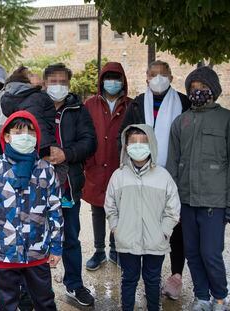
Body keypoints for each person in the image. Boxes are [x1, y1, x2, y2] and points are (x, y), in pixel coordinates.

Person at [166, 66, 230, 311]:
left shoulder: (229, 121)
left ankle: (219, 296)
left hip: (214, 203)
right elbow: (172, 165)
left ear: (214, 90)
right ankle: (201, 296)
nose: (197, 91)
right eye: (192, 88)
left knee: (211, 253)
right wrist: (171, 203)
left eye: (202, 87)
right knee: (192, 253)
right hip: (187, 203)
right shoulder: (181, 122)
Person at [0, 110, 63, 311]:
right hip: (4, 253)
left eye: (31, 133)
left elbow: (55, 210)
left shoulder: (46, 170)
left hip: (37, 252)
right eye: (19, 132)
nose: (25, 137)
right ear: (6, 136)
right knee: (7, 305)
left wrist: (56, 246)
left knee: (45, 302)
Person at [119, 60, 191, 299]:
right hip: (142, 173)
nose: (158, 78)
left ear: (171, 76)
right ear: (146, 77)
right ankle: (150, 275)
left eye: (162, 74)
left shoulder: (183, 102)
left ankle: (176, 276)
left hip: (175, 174)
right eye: (153, 74)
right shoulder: (138, 103)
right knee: (147, 224)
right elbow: (126, 134)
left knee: (175, 225)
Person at [105, 124, 181, 311]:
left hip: (155, 241)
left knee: (153, 279)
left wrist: (164, 231)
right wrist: (116, 228)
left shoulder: (163, 176)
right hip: (127, 240)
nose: (138, 146)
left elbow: (173, 208)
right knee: (129, 278)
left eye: (143, 142)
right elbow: (110, 205)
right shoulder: (119, 176)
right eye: (133, 142)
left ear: (152, 145)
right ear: (126, 146)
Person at [43, 63, 97, 306]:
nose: (58, 86)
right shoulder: (35, 106)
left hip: (68, 187)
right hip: (38, 187)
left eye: (62, 81)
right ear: (44, 84)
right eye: (53, 81)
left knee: (71, 237)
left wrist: (67, 154)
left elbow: (90, 142)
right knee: (37, 237)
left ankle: (74, 285)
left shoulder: (78, 109)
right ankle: (38, 287)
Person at [83, 62, 132, 270]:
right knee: (97, 209)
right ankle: (99, 250)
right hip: (96, 165)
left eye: (117, 78)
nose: (112, 82)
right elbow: (84, 132)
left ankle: (114, 248)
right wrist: (88, 161)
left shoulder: (130, 105)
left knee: (117, 210)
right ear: (102, 81)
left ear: (123, 81)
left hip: (119, 165)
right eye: (108, 77)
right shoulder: (90, 104)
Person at [1, 66, 56, 158]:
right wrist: (46, 151)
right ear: (25, 82)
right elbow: (38, 123)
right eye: (31, 75)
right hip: (44, 149)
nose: (35, 74)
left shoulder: (21, 98)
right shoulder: (34, 98)